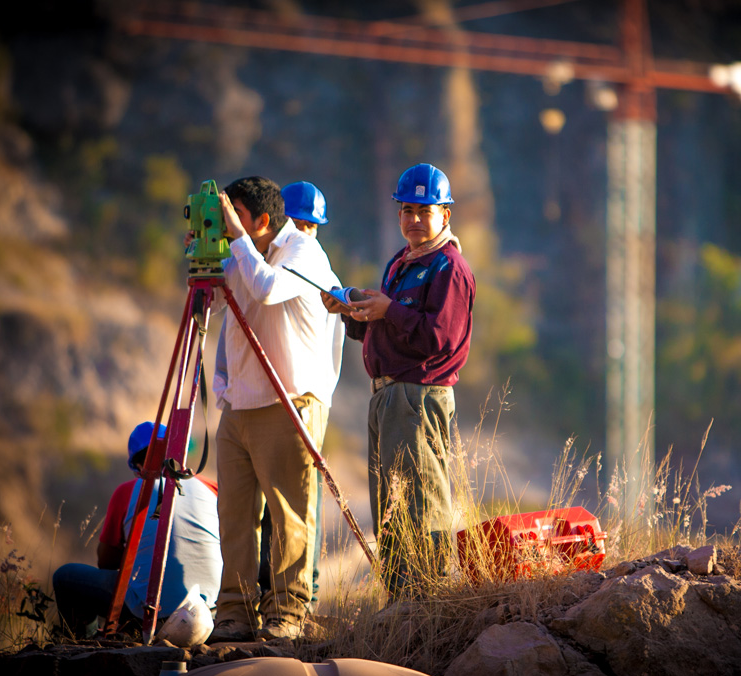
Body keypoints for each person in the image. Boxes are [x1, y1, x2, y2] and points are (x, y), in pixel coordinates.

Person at [321, 163, 475, 598]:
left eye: (424, 211)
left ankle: (428, 598)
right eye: (407, 210)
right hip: (387, 396)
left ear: (445, 215)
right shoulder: (400, 264)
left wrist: (389, 310)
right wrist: (352, 311)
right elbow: (385, 328)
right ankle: (399, 600)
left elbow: (440, 339)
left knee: (421, 501)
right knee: (390, 506)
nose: (414, 219)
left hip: (419, 396)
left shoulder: (448, 267)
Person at [208, 176, 343, 642]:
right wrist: (204, 260)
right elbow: (211, 305)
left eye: (236, 216)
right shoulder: (241, 253)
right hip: (240, 403)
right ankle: (234, 612)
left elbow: (266, 289)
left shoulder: (303, 250)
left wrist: (236, 241)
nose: (229, 225)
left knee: (289, 515)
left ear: (263, 220)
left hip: (289, 400)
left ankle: (287, 612)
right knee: (234, 515)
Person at [52, 421, 222, 639]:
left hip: (150, 614)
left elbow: (106, 562)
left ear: (139, 467)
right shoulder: (212, 487)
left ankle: (83, 643)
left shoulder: (128, 492)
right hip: (210, 611)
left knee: (65, 578)